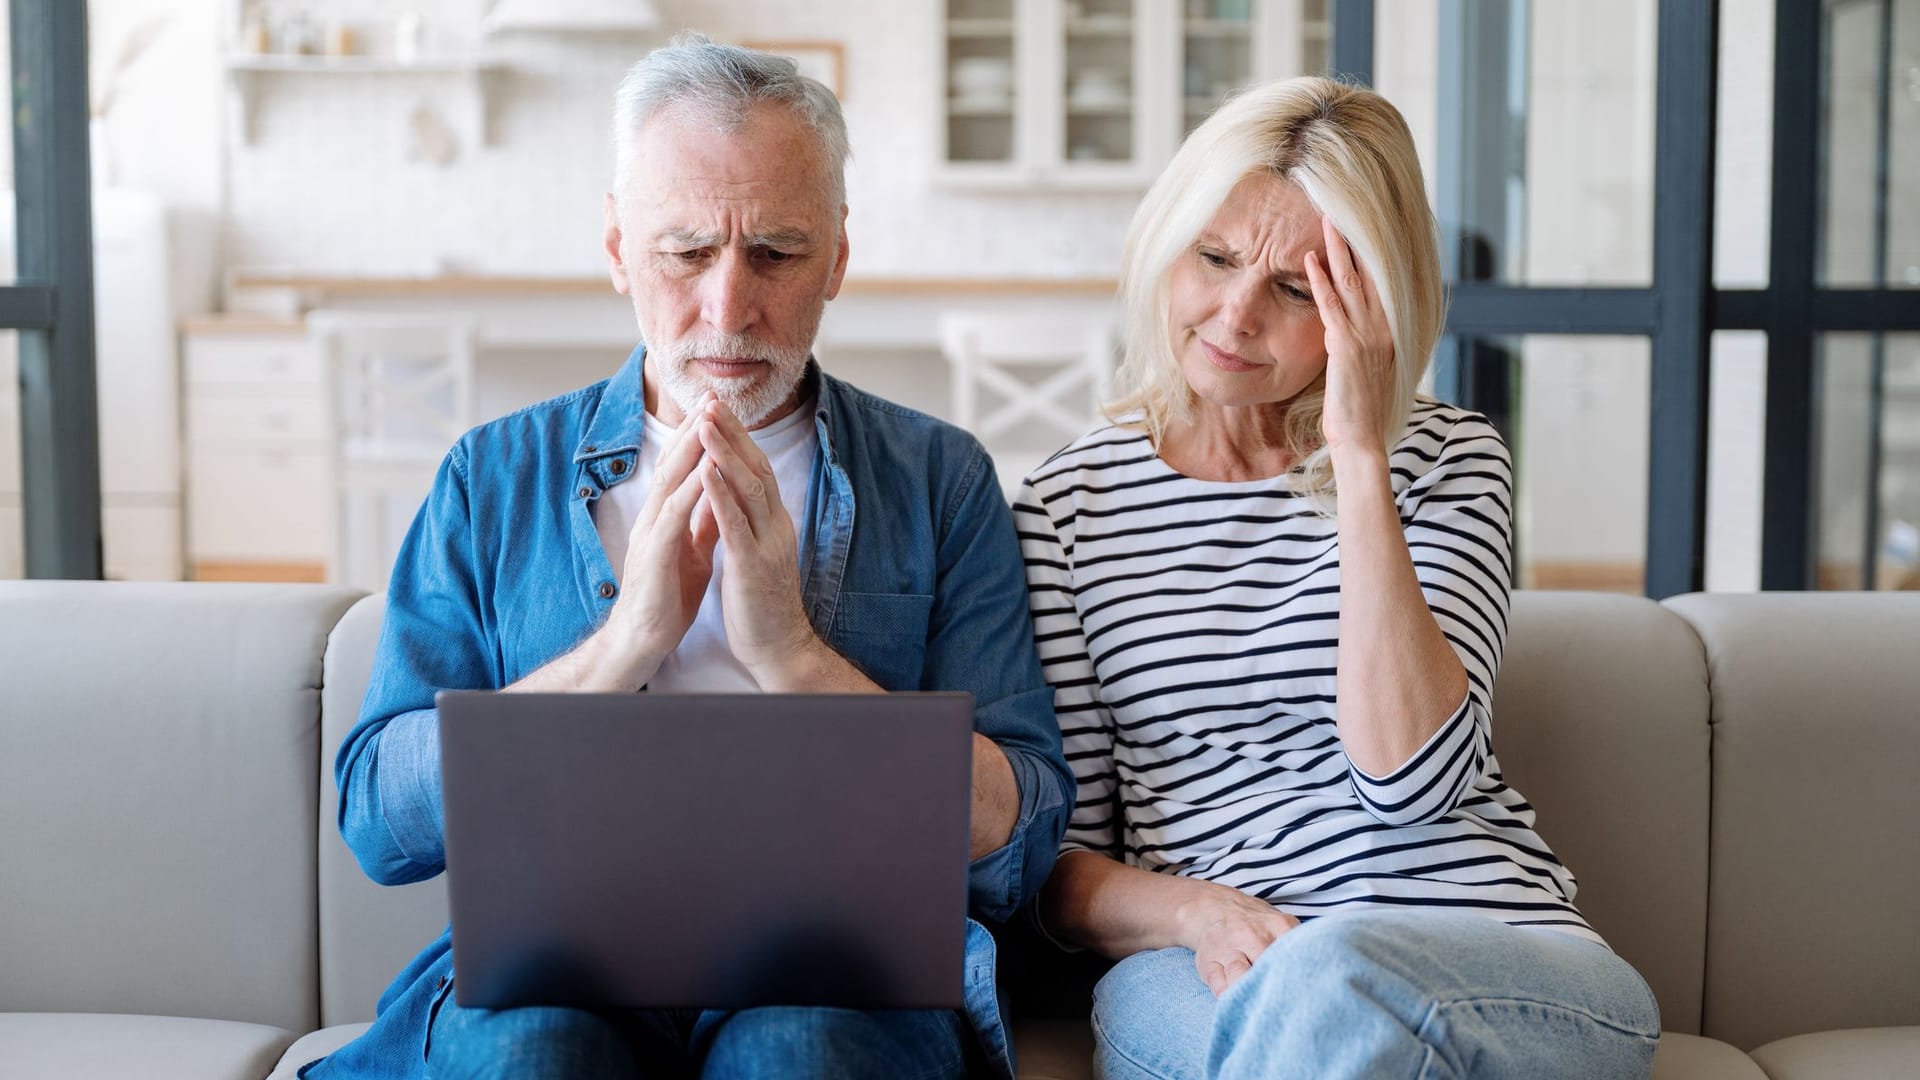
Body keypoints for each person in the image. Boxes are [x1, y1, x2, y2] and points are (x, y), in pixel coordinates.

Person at [302, 34, 1070, 1080]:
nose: (727, 308)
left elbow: (1018, 837)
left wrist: (796, 656)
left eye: (778, 254)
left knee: (802, 1048)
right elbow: (379, 823)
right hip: (556, 964)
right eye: (686, 251)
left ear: (839, 255)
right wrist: (621, 648)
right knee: (533, 1050)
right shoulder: (492, 476)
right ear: (619, 249)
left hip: (835, 966)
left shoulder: (940, 479)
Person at [1015, 76, 1661, 1080]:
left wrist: (1361, 457)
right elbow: (1055, 869)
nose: (1234, 316)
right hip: (1208, 965)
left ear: (1369, 306)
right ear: (1165, 245)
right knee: (1319, 1006)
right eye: (1215, 258)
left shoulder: (1447, 462)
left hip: (1488, 959)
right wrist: (1193, 909)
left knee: (1336, 978)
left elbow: (1411, 782)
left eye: (1295, 289)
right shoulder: (1067, 508)